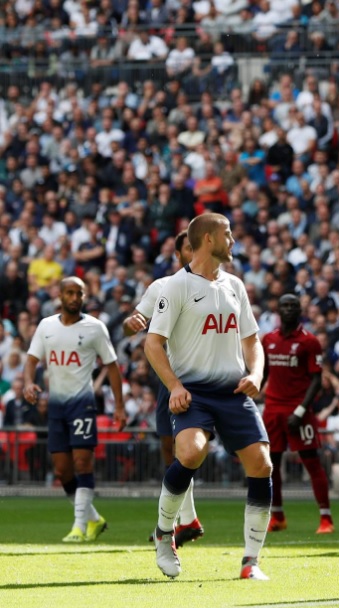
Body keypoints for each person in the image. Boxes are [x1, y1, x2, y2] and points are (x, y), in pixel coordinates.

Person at [146, 213, 272, 580]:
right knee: (190, 451)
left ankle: (251, 563)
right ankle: (163, 534)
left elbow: (252, 340)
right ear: (207, 240)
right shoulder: (176, 286)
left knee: (262, 464)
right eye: (227, 234)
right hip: (194, 392)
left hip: (233, 390)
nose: (233, 241)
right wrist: (175, 386)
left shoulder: (235, 285)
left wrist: (256, 373)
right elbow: (153, 344)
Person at [23, 276, 126, 542]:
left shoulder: (95, 328)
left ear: (83, 296)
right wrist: (27, 383)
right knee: (62, 470)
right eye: (69, 293)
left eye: (78, 293)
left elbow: (112, 366)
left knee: (82, 462)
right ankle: (93, 519)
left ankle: (79, 527)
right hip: (56, 407)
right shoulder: (46, 326)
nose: (74, 298)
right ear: (60, 295)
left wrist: (119, 407)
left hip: (83, 404)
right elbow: (32, 359)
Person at [123, 232, 204, 547]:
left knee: (186, 450)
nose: (194, 251)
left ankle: (180, 523)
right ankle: (188, 520)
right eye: (188, 247)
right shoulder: (162, 286)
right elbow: (141, 315)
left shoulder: (219, 286)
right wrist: (136, 320)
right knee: (171, 452)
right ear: (179, 255)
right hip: (169, 379)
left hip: (199, 378)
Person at [261, 294, 332, 534]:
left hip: (298, 409)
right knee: (271, 464)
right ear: (278, 310)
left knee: (311, 462)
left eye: (293, 305)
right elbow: (263, 374)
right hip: (272, 409)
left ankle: (326, 518)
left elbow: (316, 380)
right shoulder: (268, 339)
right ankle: (278, 516)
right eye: (285, 305)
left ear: (300, 310)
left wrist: (301, 410)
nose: (289, 309)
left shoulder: (309, 341)